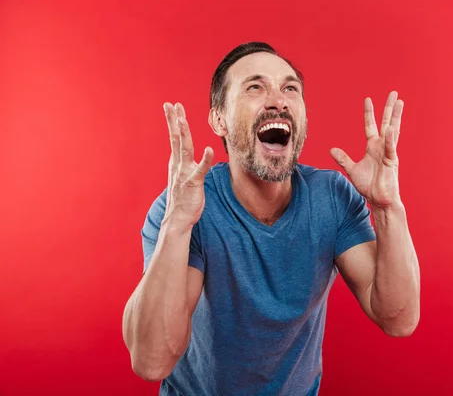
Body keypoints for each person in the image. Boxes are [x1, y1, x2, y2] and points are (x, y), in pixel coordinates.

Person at [122, 42, 420, 395]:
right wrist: (177, 225)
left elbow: (398, 318)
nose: (278, 99)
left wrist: (387, 208)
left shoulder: (332, 197)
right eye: (255, 87)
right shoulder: (184, 208)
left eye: (290, 88)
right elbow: (152, 360)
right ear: (219, 119)